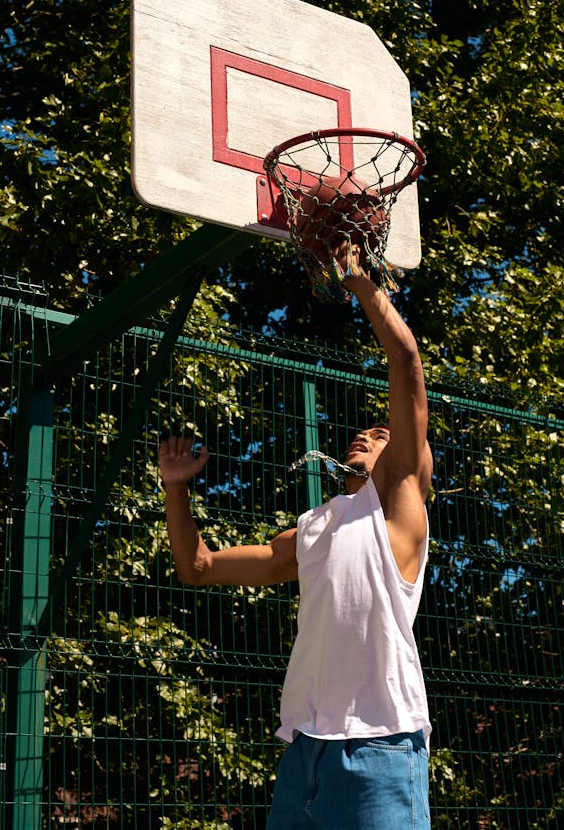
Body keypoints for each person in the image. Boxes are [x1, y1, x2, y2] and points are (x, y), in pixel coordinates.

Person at [159, 260, 433, 828]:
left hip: (381, 749)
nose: (368, 432)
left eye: (383, 433)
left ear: (409, 458)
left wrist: (356, 275)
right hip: (302, 751)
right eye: (365, 430)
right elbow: (198, 567)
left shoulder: (399, 511)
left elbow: (405, 362)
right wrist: (175, 489)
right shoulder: (313, 529)